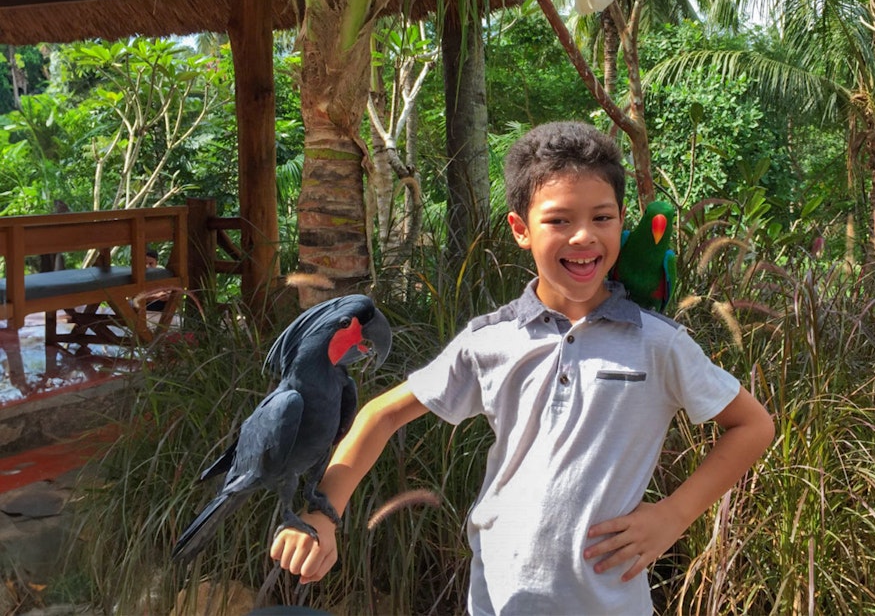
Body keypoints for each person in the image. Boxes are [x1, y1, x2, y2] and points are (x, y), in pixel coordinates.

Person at [270, 121, 775, 614]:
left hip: (611, 603)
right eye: (558, 220)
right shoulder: (490, 340)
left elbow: (752, 424)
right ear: (520, 229)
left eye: (602, 218)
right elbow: (380, 414)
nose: (583, 236)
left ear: (623, 220)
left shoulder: (660, 344)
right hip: (498, 597)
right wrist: (323, 513)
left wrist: (673, 515)